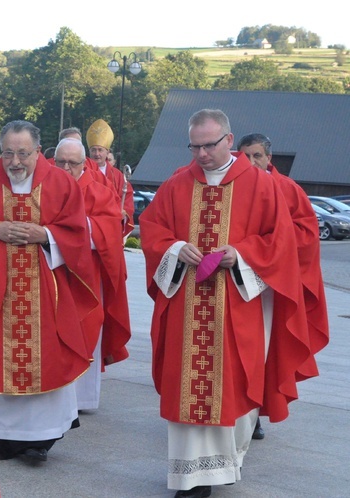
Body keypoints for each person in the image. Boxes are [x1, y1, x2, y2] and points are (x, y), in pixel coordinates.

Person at [139, 109, 315, 498]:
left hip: (238, 308)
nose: (201, 154)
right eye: (195, 146)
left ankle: (224, 467)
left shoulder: (261, 186)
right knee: (187, 385)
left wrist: (243, 255)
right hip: (186, 304)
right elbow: (151, 229)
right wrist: (173, 248)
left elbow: (283, 243)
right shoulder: (176, 184)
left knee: (233, 387)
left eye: (209, 145)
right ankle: (189, 477)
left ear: (228, 140)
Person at [0, 120, 99, 463]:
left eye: (23, 153)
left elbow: (78, 233)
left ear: (38, 151)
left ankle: (41, 440)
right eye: (8, 153)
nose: (16, 162)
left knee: (47, 360)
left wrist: (46, 236)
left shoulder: (61, 184)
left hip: (45, 296)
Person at [237, 133, 330, 440]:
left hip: (272, 287)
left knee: (266, 354)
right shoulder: (231, 189)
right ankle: (237, 411)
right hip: (235, 283)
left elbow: (306, 235)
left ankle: (257, 413)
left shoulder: (288, 189)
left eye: (257, 156)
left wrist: (268, 249)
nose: (250, 162)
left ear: (269, 159)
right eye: (245, 156)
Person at [54, 138, 131, 410]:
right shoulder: (44, 187)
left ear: (83, 163)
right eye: (60, 162)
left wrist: (72, 228)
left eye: (72, 163)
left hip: (86, 278)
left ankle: (81, 399)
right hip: (52, 275)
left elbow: (109, 231)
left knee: (85, 330)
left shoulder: (99, 191)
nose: (65, 168)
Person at [86, 119, 135, 237]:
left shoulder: (118, 176)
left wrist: (124, 213)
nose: (97, 154)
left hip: (110, 226)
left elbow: (127, 200)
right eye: (93, 150)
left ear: (107, 152)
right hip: (87, 226)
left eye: (100, 150)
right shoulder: (81, 171)